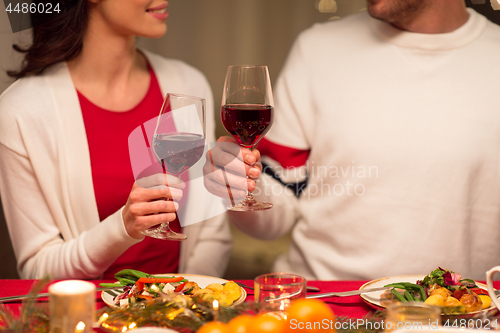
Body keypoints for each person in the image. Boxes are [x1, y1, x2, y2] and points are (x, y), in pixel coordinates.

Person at [204, 0, 500, 280]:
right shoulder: (317, 49)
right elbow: (278, 204)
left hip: (463, 311)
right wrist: (236, 186)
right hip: (325, 306)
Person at [0, 0, 231, 279]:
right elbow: (37, 269)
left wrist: (185, 302)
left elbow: (211, 233)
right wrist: (122, 227)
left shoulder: (188, 84)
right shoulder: (21, 111)